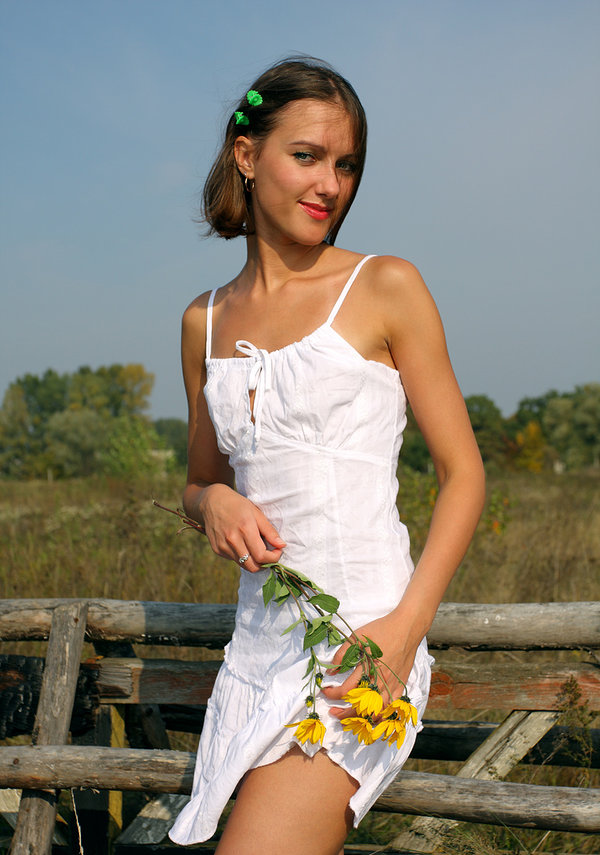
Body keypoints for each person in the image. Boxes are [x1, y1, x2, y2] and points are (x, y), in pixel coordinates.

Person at [169, 56, 485, 855]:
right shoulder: (203, 321)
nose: (330, 184)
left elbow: (465, 476)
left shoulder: (385, 286)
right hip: (255, 654)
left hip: (362, 648)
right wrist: (214, 503)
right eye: (306, 156)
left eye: (345, 165)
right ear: (247, 155)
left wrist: (403, 632)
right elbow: (198, 482)